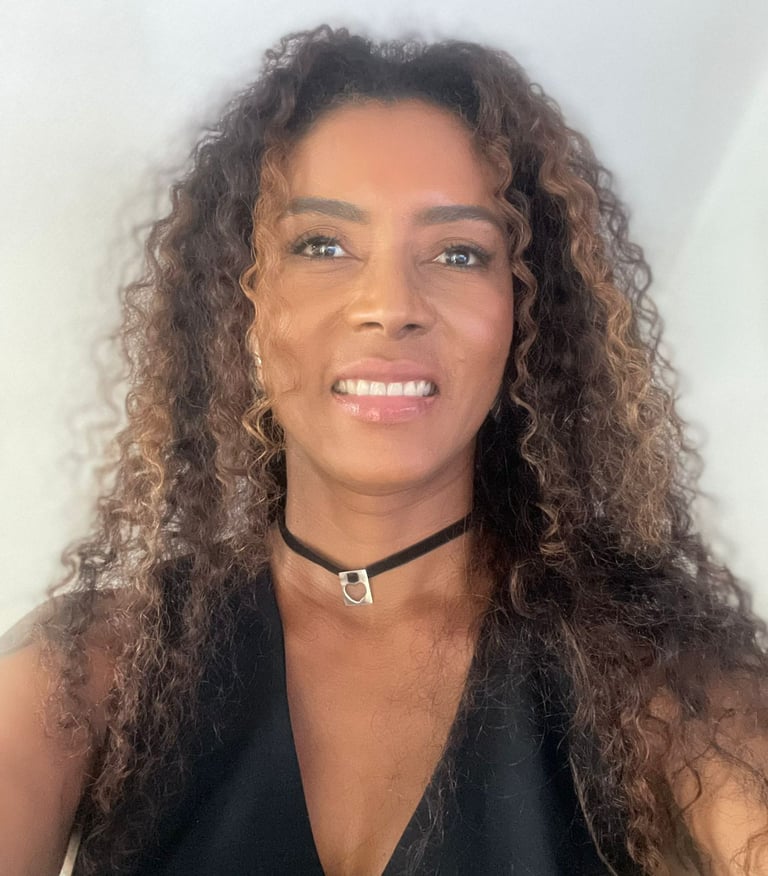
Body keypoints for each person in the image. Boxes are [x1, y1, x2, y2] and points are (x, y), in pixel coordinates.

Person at [1, 24, 767, 876]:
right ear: (243, 305)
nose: (390, 305)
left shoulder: (662, 684)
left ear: (524, 317)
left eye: (459, 252)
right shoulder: (91, 672)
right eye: (322, 245)